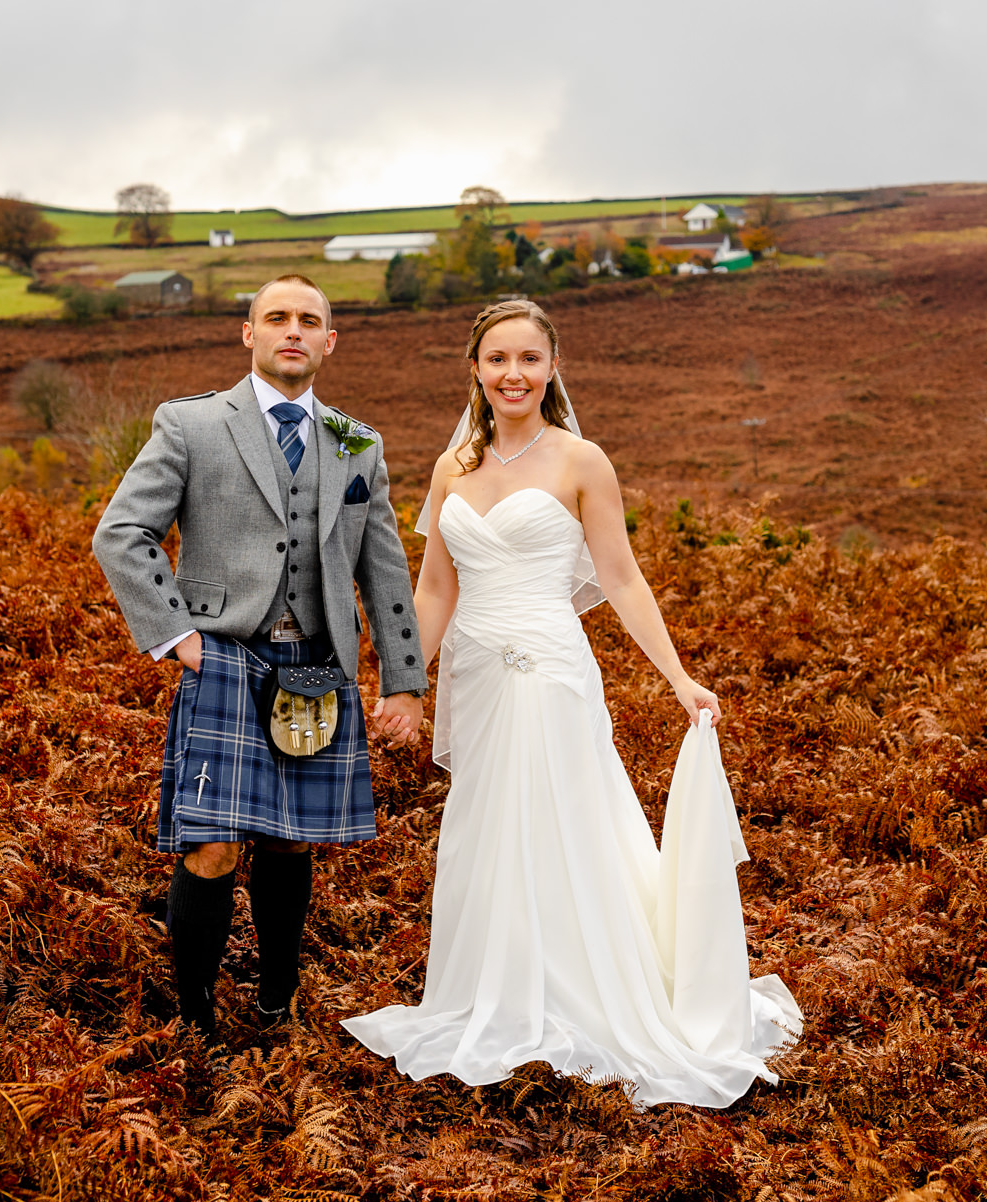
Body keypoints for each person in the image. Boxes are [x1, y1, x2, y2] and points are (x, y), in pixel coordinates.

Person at [341, 299, 801, 1108]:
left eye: (527, 359)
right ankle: (497, 989)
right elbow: (438, 587)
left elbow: (621, 578)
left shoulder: (583, 461)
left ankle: (588, 994)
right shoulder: (453, 467)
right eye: (496, 360)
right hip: (477, 679)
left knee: (564, 821)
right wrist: (405, 680)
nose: (511, 374)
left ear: (552, 367)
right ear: (475, 371)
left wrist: (678, 677)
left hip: (551, 670)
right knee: (488, 825)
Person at [92, 274, 424, 1043]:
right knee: (211, 843)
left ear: (330, 341)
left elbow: (384, 569)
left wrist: (404, 679)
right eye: (277, 317)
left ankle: (277, 999)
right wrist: (176, 634)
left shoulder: (354, 442)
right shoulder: (191, 424)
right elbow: (121, 532)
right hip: (225, 658)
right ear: (249, 333)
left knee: (288, 838)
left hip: (317, 663)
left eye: (310, 320)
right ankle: (196, 1018)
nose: (293, 330)